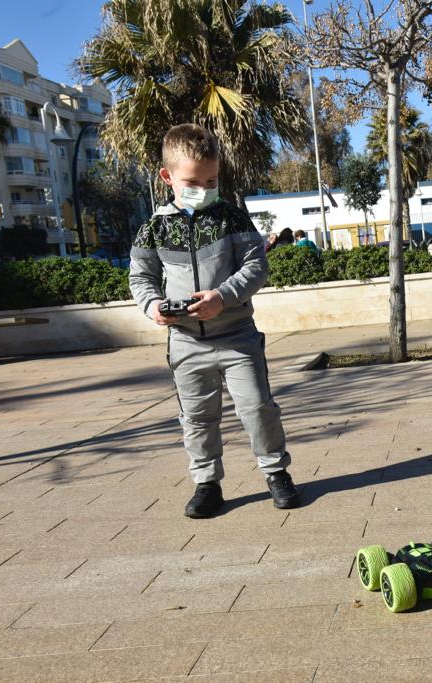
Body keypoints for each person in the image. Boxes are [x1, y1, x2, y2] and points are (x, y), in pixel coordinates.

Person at [129, 123, 300, 518]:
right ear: (167, 177)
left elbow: (256, 266)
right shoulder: (153, 227)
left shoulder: (232, 218)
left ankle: (276, 473)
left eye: (212, 180)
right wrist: (153, 306)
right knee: (197, 417)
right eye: (193, 181)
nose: (204, 189)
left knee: (258, 408)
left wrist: (222, 297)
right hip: (186, 343)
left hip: (237, 337)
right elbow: (140, 277)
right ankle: (207, 484)